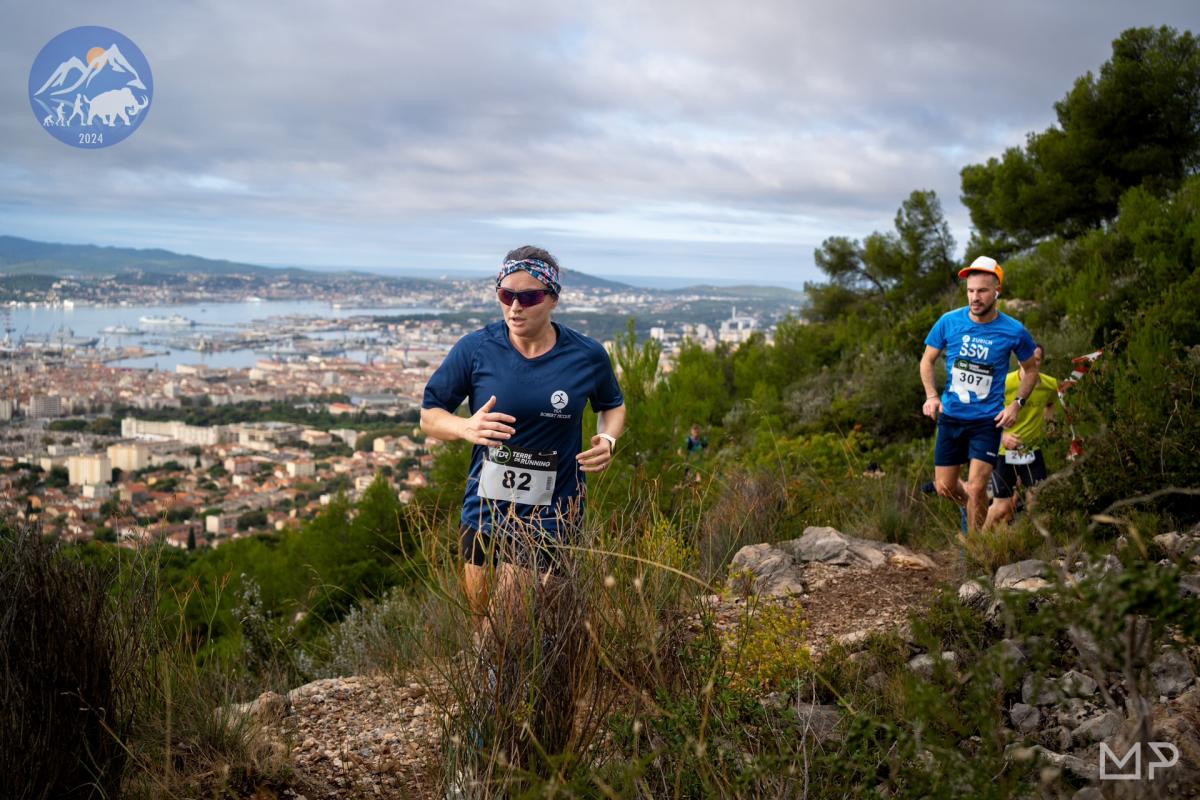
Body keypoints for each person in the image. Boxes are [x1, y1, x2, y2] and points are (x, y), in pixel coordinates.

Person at [420, 245, 626, 628]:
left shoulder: (586, 355)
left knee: (508, 625)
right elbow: (429, 416)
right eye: (506, 295)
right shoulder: (476, 349)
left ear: (552, 299)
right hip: (483, 513)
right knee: (483, 626)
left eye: (528, 298)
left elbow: (612, 405)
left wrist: (608, 439)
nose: (515, 307)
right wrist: (465, 427)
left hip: (554, 516)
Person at [919, 255, 1040, 534]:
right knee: (945, 488)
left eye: (982, 291)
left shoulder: (1014, 330)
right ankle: (973, 504)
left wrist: (1016, 404)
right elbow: (927, 360)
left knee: (976, 487)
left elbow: (1031, 370)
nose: (975, 297)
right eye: (971, 291)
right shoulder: (949, 322)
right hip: (951, 416)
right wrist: (931, 396)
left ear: (997, 291)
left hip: (987, 421)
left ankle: (975, 550)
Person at [984, 345, 1058, 528]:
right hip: (1004, 451)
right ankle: (978, 539)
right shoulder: (1005, 382)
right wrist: (1002, 436)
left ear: (1041, 362)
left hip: (1032, 450)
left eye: (1037, 360)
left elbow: (1051, 403)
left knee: (1036, 501)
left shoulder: (1049, 384)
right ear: (1019, 360)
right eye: (1028, 359)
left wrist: (1049, 423)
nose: (1032, 363)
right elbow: (984, 412)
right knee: (1001, 507)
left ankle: (1029, 539)